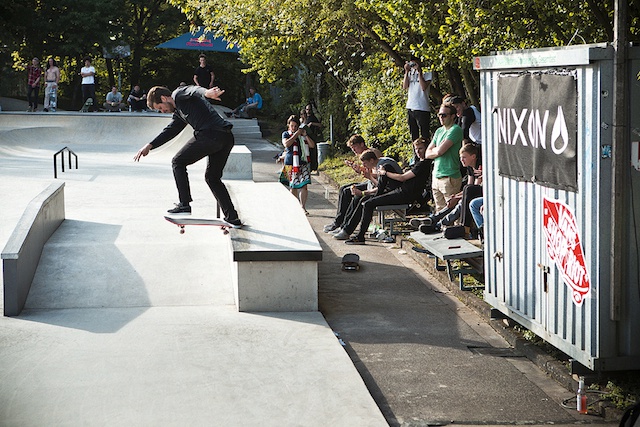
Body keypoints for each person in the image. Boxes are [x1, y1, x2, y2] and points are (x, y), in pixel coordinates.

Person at [133, 85, 241, 227]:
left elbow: (194, 90)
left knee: (178, 162)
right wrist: (150, 145)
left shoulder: (178, 94)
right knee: (212, 178)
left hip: (210, 135)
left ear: (164, 98)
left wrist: (206, 93)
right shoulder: (179, 113)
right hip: (225, 137)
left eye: (160, 107)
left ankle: (184, 205)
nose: (162, 111)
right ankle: (232, 217)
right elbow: (170, 131)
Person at [344, 137, 431, 245]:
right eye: (416, 149)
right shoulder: (418, 162)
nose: (418, 151)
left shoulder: (423, 164)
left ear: (427, 149)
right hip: (400, 190)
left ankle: (360, 236)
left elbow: (402, 178)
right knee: (367, 199)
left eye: (421, 149)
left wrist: (384, 173)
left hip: (405, 195)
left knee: (368, 203)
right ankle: (350, 228)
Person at [332, 150, 402, 240]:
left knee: (364, 201)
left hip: (393, 193)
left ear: (371, 160)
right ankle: (345, 227)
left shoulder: (383, 166)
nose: (364, 166)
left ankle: (349, 231)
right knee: (357, 197)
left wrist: (365, 188)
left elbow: (381, 188)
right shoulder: (379, 164)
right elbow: (380, 185)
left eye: (365, 163)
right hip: (387, 191)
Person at [413, 142, 482, 233]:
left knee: (461, 202)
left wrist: (457, 197)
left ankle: (438, 224)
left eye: (464, 157)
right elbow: (468, 187)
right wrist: (455, 196)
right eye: (460, 158)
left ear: (473, 157)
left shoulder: (480, 166)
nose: (462, 160)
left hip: (480, 193)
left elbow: (473, 189)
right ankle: (433, 220)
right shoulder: (470, 167)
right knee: (454, 200)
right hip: (472, 193)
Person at [323, 135, 382, 233]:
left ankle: (341, 223)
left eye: (355, 147)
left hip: (375, 183)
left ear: (362, 144)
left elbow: (378, 173)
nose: (354, 150)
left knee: (347, 191)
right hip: (370, 181)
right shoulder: (362, 155)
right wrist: (359, 170)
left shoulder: (373, 153)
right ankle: (339, 221)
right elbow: (368, 172)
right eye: (352, 148)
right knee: (343, 189)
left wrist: (364, 172)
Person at [426, 103, 464, 213]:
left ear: (453, 116)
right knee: (439, 212)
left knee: (452, 211)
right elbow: (427, 154)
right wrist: (437, 150)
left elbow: (440, 151)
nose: (441, 117)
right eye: (439, 115)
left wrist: (437, 150)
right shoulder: (439, 131)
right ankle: (443, 230)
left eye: (444, 115)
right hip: (436, 176)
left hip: (450, 176)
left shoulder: (455, 129)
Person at [279, 115, 316, 214]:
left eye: (296, 126)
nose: (294, 128)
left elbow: (312, 145)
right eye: (292, 126)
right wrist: (295, 134)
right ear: (288, 125)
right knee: (293, 186)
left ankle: (303, 207)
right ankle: (294, 207)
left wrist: (305, 135)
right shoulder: (286, 134)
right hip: (291, 162)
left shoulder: (302, 135)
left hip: (303, 162)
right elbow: (286, 144)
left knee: (304, 185)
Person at [403, 57, 433, 142]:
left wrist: (420, 72)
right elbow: (405, 86)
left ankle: (426, 153)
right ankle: (416, 154)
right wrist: (406, 71)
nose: (413, 65)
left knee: (424, 135)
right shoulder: (410, 72)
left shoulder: (427, 71)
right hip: (410, 106)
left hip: (422, 107)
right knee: (413, 134)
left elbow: (423, 87)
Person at [302, 104, 323, 172]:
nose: (308, 111)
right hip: (305, 137)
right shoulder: (305, 118)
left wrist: (312, 123)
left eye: (310, 109)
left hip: (312, 136)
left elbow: (320, 125)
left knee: (313, 152)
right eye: (307, 109)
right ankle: (309, 167)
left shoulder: (313, 118)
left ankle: (314, 166)